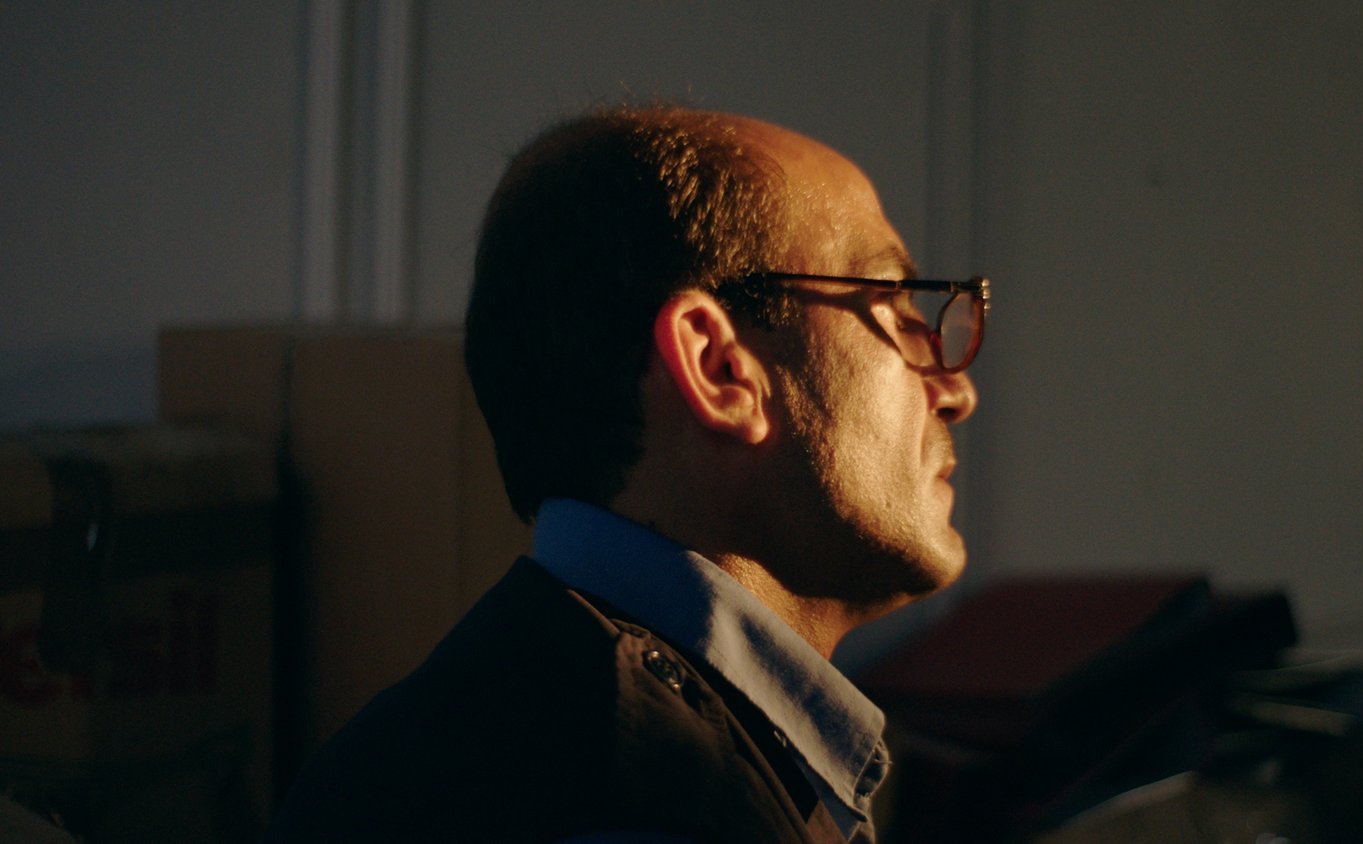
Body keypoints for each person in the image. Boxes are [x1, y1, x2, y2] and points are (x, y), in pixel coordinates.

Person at [265, 105, 986, 843]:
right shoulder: (642, 807)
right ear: (719, 368)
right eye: (894, 306)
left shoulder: (477, 730)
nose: (956, 390)